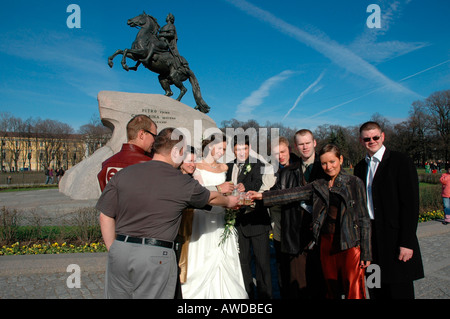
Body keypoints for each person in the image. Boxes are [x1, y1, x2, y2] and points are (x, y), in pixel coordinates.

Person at [96, 128, 240, 299]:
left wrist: (114, 249)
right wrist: (229, 201)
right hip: (155, 255)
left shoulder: (124, 174)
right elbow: (211, 198)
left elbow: (105, 215)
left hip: (119, 250)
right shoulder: (180, 181)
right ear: (177, 152)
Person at [249, 144, 372, 299]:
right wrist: (262, 196)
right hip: (326, 243)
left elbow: (364, 219)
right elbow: (291, 194)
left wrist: (366, 252)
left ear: (340, 159)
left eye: (332, 162)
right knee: (329, 288)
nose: (329, 167)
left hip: (349, 243)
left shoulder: (354, 182)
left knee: (353, 288)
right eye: (324, 163)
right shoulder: (319, 184)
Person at [354, 121, 424, 299]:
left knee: (399, 291)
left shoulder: (401, 162)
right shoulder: (360, 167)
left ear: (382, 136)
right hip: (371, 241)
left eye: (375, 137)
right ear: (361, 141)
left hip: (395, 239)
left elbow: (410, 205)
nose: (372, 141)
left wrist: (407, 242)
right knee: (375, 287)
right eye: (367, 138)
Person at [181, 135, 247, 299]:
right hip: (202, 217)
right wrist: (219, 187)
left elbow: (227, 190)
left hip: (221, 217)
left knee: (225, 257)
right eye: (221, 148)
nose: (223, 152)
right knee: (203, 256)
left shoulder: (224, 167)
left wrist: (235, 191)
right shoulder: (196, 166)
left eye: (225, 149)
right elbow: (197, 192)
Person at [274, 130, 327, 299]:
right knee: (298, 282)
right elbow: (275, 193)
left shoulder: (326, 166)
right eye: (301, 144)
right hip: (296, 233)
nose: (305, 147)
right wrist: (256, 196)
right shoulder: (288, 171)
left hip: (322, 234)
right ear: (295, 147)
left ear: (314, 143)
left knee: (320, 283)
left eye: (307, 143)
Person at [226, 135, 272, 299]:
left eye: (244, 149)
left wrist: (247, 186)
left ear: (249, 147)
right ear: (233, 150)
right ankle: (247, 297)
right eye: (238, 149)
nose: (241, 152)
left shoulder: (258, 164)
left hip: (257, 221)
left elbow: (258, 183)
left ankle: (266, 299)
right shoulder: (228, 166)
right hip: (238, 223)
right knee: (243, 264)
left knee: (262, 265)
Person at [268, 136, 299, 298]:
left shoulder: (298, 168)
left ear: (289, 150)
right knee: (281, 267)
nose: (280, 156)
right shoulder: (272, 170)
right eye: (276, 153)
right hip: (278, 226)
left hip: (294, 227)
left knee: (295, 270)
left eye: (282, 151)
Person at [97, 115, 157, 192]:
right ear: (141, 134)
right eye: (154, 136)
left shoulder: (107, 164)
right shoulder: (151, 164)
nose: (154, 140)